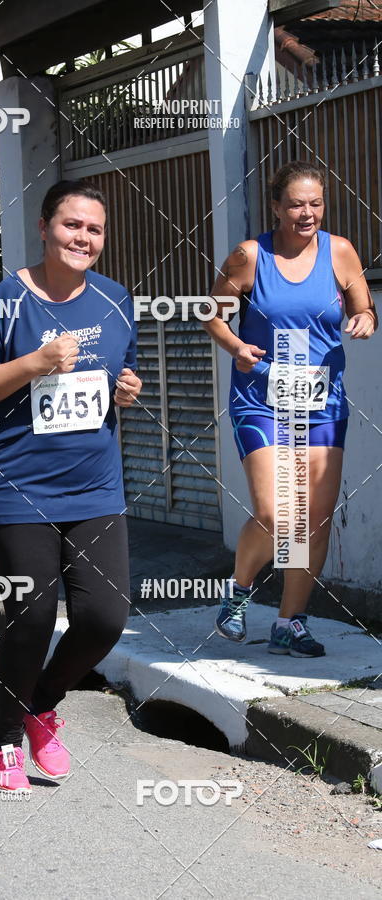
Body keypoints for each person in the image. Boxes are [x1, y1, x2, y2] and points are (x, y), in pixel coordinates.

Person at [0, 180, 142, 792]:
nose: (82, 237)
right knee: (32, 613)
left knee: (104, 618)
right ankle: (6, 741)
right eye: (71, 225)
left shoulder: (116, 300)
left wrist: (124, 390)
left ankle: (39, 703)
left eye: (94, 229)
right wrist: (35, 363)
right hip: (17, 485)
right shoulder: (9, 301)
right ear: (44, 227)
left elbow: (108, 379)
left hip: (93, 484)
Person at [203, 160, 377, 658]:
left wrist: (364, 318)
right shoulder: (249, 256)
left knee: (314, 519)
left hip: (321, 401)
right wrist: (236, 346)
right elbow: (212, 316)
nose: (307, 213)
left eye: (316, 203)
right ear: (276, 207)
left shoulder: (340, 252)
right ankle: (237, 592)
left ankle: (290, 622)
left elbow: (365, 307)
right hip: (260, 397)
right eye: (296, 204)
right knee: (277, 513)